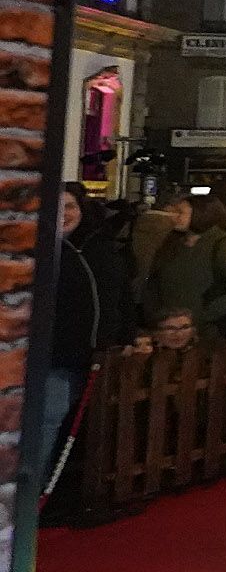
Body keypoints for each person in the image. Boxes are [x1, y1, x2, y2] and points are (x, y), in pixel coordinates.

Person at [34, 185, 130, 486]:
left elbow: (114, 299)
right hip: (38, 353)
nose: (63, 215)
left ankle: (36, 489)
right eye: (57, 208)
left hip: (65, 355)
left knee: (49, 420)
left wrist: (109, 340)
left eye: (70, 207)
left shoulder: (95, 250)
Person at [138, 196, 226, 341]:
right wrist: (155, 314)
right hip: (166, 328)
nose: (174, 216)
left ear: (201, 214)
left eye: (181, 212)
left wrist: (204, 314)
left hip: (208, 330)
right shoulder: (171, 243)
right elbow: (154, 280)